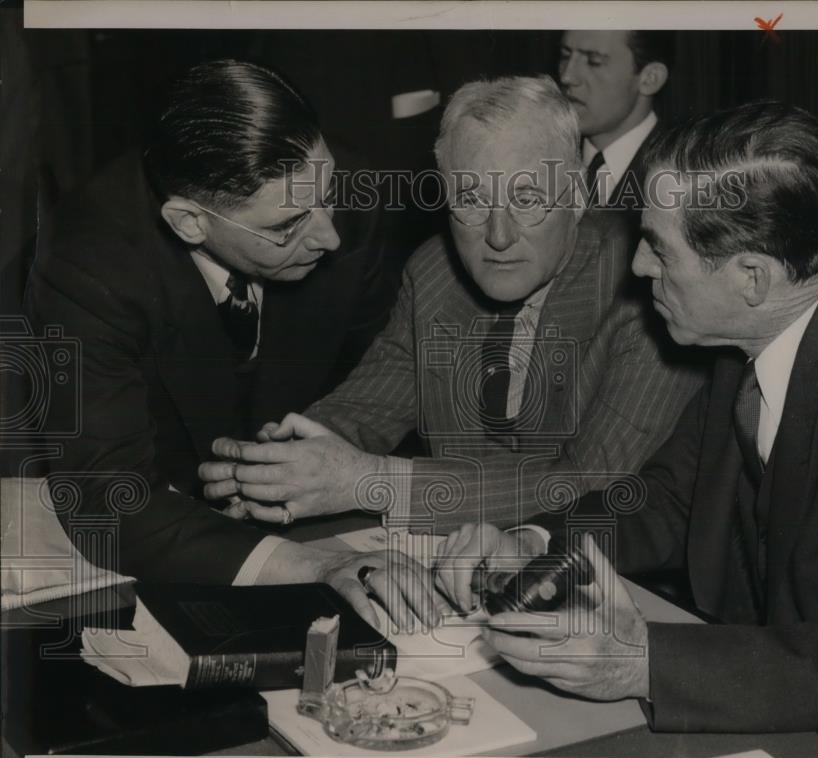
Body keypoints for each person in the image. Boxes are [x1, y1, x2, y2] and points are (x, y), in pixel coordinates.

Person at [433, 101, 818, 758]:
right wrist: (536, 543)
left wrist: (643, 662)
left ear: (753, 277)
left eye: (660, 247)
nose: (638, 266)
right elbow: (666, 501)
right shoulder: (750, 337)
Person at [25, 59, 436, 629]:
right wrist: (317, 567)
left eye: (328, 194)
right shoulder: (87, 265)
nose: (330, 235)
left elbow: (377, 386)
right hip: (162, 540)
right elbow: (109, 500)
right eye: (287, 226)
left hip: (315, 520)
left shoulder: (341, 195)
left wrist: (279, 472)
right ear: (190, 223)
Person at [200, 75, 706, 533]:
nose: (499, 237)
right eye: (471, 200)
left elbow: (592, 482)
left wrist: (371, 482)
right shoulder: (435, 273)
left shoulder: (645, 289)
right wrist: (276, 467)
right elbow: (367, 406)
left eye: (527, 199)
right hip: (450, 556)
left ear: (576, 195)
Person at [558, 30, 671, 210]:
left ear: (650, 79)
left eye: (594, 61)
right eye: (565, 56)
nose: (567, 76)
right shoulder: (544, 157)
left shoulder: (685, 177)